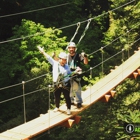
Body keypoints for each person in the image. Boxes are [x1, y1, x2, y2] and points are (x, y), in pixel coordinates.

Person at [37, 46, 72, 115]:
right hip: (56, 82)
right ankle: (57, 107)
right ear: (60, 59)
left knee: (67, 96)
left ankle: (68, 109)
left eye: (65, 60)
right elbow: (48, 58)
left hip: (65, 83)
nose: (64, 61)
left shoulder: (67, 66)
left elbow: (70, 74)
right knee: (56, 96)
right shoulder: (55, 63)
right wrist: (43, 52)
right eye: (63, 60)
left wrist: (75, 72)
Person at [67, 42, 88, 108]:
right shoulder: (66, 56)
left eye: (72, 48)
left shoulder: (78, 56)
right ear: (68, 49)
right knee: (69, 89)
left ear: (75, 49)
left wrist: (85, 57)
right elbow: (60, 62)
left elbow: (85, 63)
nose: (71, 49)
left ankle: (79, 102)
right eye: (70, 48)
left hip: (76, 75)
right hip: (69, 75)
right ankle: (71, 101)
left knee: (77, 89)